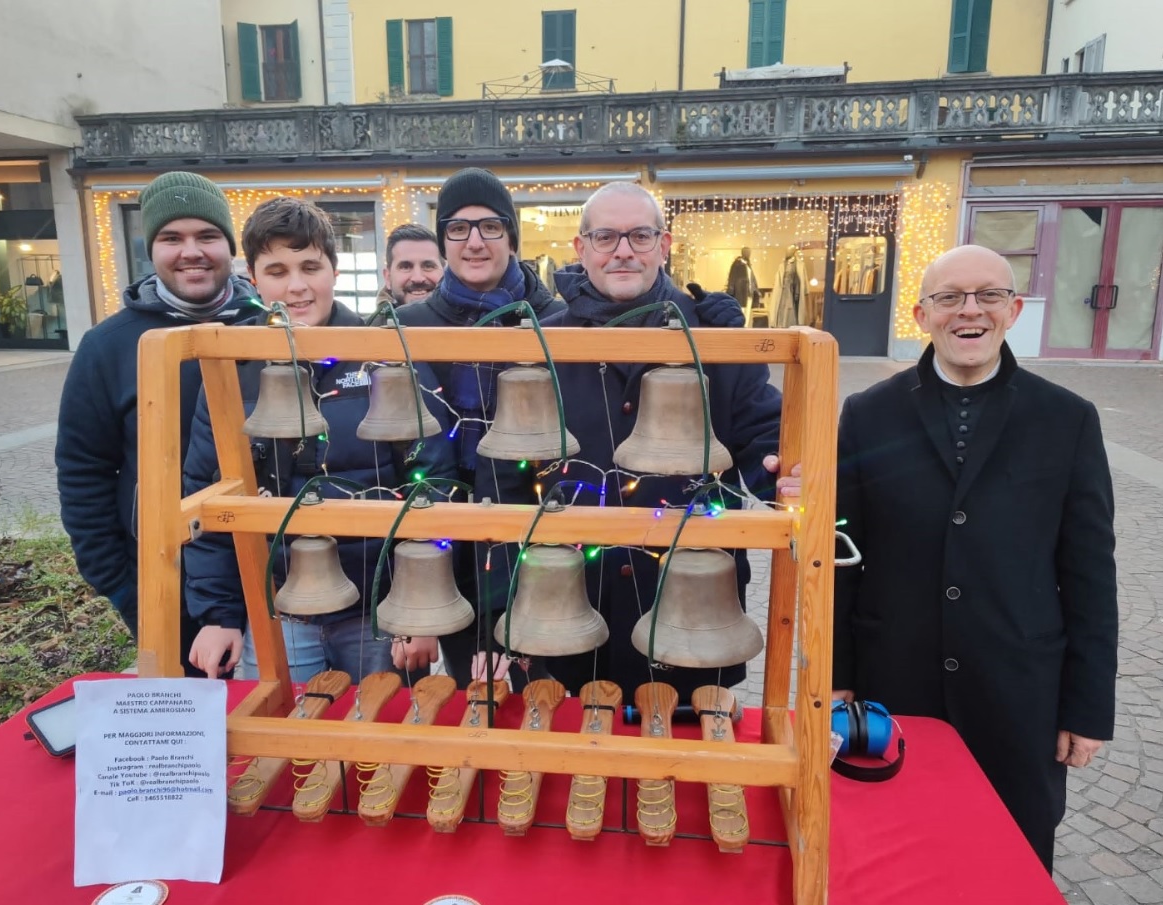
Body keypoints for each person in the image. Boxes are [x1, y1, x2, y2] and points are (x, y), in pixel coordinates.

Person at [829, 244, 1117, 871]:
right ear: (920, 313)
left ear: (1012, 310)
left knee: (1008, 856)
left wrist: (1087, 706)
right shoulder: (867, 414)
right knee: (897, 852)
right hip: (895, 680)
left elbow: (1091, 570)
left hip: (1020, 690)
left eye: (989, 295)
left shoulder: (1067, 419)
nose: (971, 311)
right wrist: (835, 676)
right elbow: (841, 551)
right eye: (950, 297)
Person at [477, 182, 783, 702]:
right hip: (563, 609)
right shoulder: (540, 349)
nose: (623, 250)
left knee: (685, 764)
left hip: (692, 612)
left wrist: (780, 471)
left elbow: (763, 435)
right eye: (606, 237)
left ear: (663, 246)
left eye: (640, 236)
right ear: (582, 249)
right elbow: (505, 485)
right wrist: (497, 617)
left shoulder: (715, 340)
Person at [181, 197, 456, 683]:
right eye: (277, 270)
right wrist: (219, 615)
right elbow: (207, 491)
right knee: (282, 740)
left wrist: (420, 605)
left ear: (333, 269)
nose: (296, 286)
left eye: (311, 266)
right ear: (252, 275)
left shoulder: (386, 355)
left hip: (380, 610)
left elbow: (433, 482)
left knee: (383, 737)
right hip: (279, 607)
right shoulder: (231, 369)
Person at [56, 171, 252, 676]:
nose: (192, 251)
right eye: (172, 238)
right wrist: (122, 587)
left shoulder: (272, 330)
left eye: (207, 236)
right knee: (188, 736)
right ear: (152, 249)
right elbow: (83, 472)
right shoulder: (107, 347)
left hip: (271, 573)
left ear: (228, 245)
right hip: (160, 582)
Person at [394, 167, 567, 688]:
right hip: (447, 538)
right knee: (474, 688)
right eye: (458, 228)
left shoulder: (555, 318)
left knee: (547, 685)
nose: (474, 242)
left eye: (491, 227)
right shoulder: (411, 326)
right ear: (443, 240)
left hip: (537, 530)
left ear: (511, 237)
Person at [375, 223, 443, 307]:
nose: (418, 278)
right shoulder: (368, 321)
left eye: (428, 266)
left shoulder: (463, 319)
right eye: (405, 267)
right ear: (388, 277)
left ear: (445, 272)